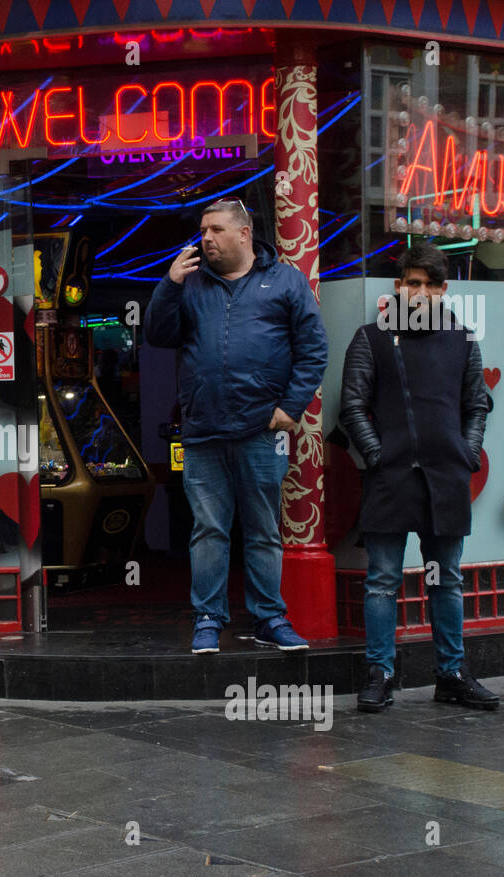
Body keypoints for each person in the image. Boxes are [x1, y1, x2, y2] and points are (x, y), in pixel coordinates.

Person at [145, 199, 328, 654]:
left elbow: (313, 350)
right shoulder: (190, 284)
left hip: (261, 429)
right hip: (203, 430)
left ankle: (269, 618)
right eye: (202, 230)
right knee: (208, 530)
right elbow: (156, 335)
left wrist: (291, 407)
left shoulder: (285, 280)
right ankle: (208, 619)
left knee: (263, 528)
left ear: (244, 234)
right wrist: (169, 284)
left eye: (216, 230)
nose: (205, 238)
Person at [338, 242, 497, 712]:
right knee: (382, 579)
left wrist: (467, 453)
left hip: (446, 477)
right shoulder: (371, 337)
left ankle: (451, 674)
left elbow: (477, 404)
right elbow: (353, 406)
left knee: (446, 579)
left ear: (443, 289)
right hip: (391, 476)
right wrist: (376, 453)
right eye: (413, 282)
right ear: (398, 286)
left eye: (430, 284)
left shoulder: (463, 338)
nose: (421, 291)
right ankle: (381, 672)